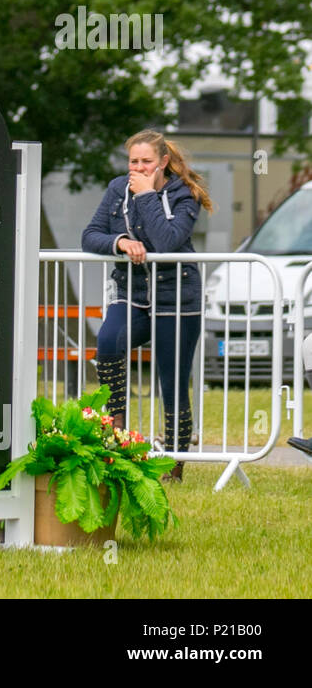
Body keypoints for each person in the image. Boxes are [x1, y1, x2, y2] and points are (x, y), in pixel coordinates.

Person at [81, 130, 213, 482]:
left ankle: (174, 460)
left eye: (146, 162)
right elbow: (90, 235)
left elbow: (167, 241)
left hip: (177, 296)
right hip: (133, 295)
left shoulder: (185, 193)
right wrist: (121, 241)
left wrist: (148, 196)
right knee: (109, 341)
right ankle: (116, 431)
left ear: (163, 163)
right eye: (133, 162)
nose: (137, 169)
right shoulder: (116, 188)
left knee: (171, 381)